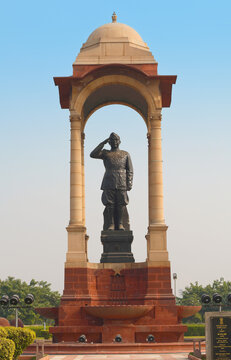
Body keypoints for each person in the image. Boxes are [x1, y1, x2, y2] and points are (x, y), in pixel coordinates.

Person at [90, 132, 133, 231]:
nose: (115, 142)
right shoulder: (105, 153)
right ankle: (111, 224)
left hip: (122, 181)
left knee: (121, 203)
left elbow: (130, 170)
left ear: (120, 141)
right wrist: (102, 143)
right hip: (109, 180)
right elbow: (93, 154)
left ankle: (121, 224)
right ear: (109, 142)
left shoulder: (125, 154)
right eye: (112, 140)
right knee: (109, 204)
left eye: (117, 140)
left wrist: (129, 183)